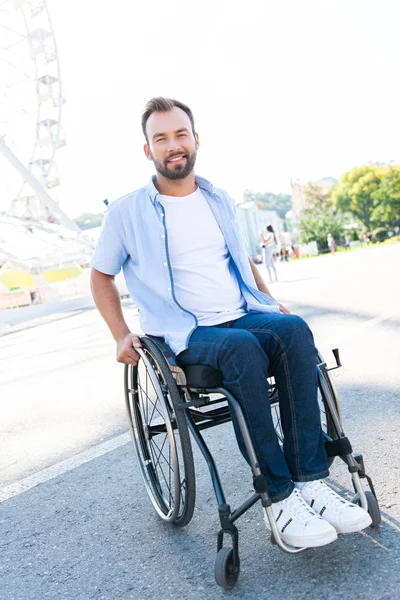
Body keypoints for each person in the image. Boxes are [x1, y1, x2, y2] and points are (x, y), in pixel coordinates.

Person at [91, 97, 371, 549]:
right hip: (186, 332)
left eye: (180, 134)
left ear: (195, 140)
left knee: (295, 329)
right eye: (161, 138)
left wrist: (270, 303)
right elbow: (100, 275)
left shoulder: (218, 199)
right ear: (148, 150)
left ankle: (310, 481)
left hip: (239, 314)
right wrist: (120, 333)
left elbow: (240, 261)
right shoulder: (126, 212)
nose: (173, 145)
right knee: (241, 347)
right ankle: (278, 499)